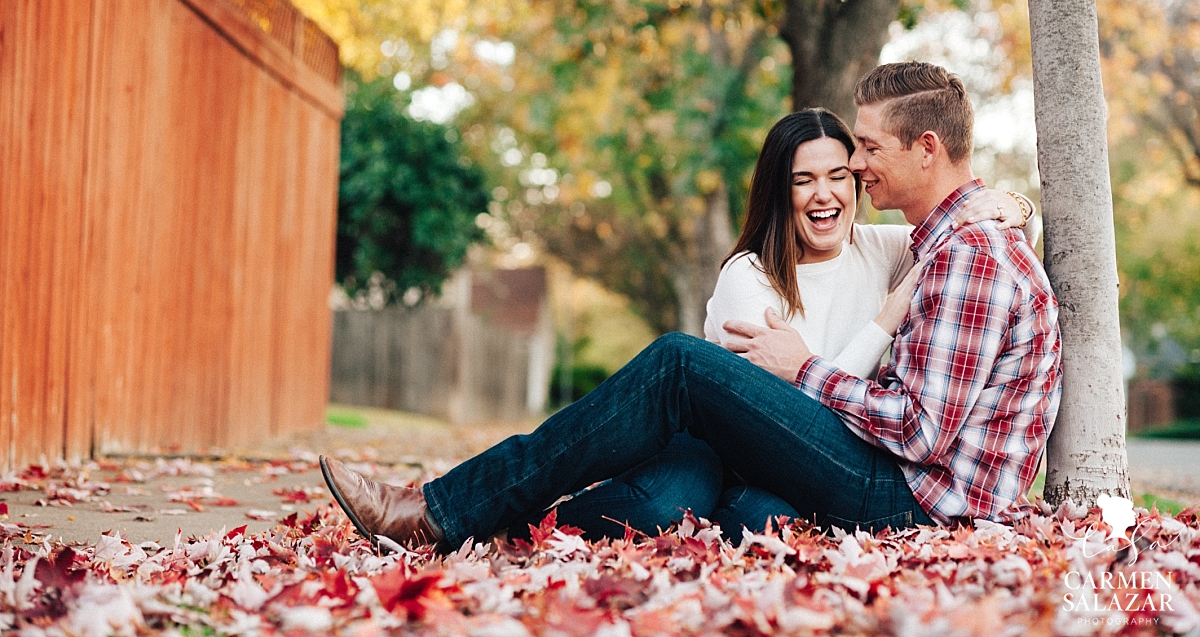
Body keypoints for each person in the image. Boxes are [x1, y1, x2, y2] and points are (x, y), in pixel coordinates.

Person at [320, 61, 1061, 550]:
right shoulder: (940, 240)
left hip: (910, 496)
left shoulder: (967, 255)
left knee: (678, 364)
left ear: (926, 148)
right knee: (687, 493)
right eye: (826, 170)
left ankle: (441, 512)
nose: (855, 175)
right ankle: (460, 513)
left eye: (865, 153)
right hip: (886, 476)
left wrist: (804, 369)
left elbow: (922, 432)